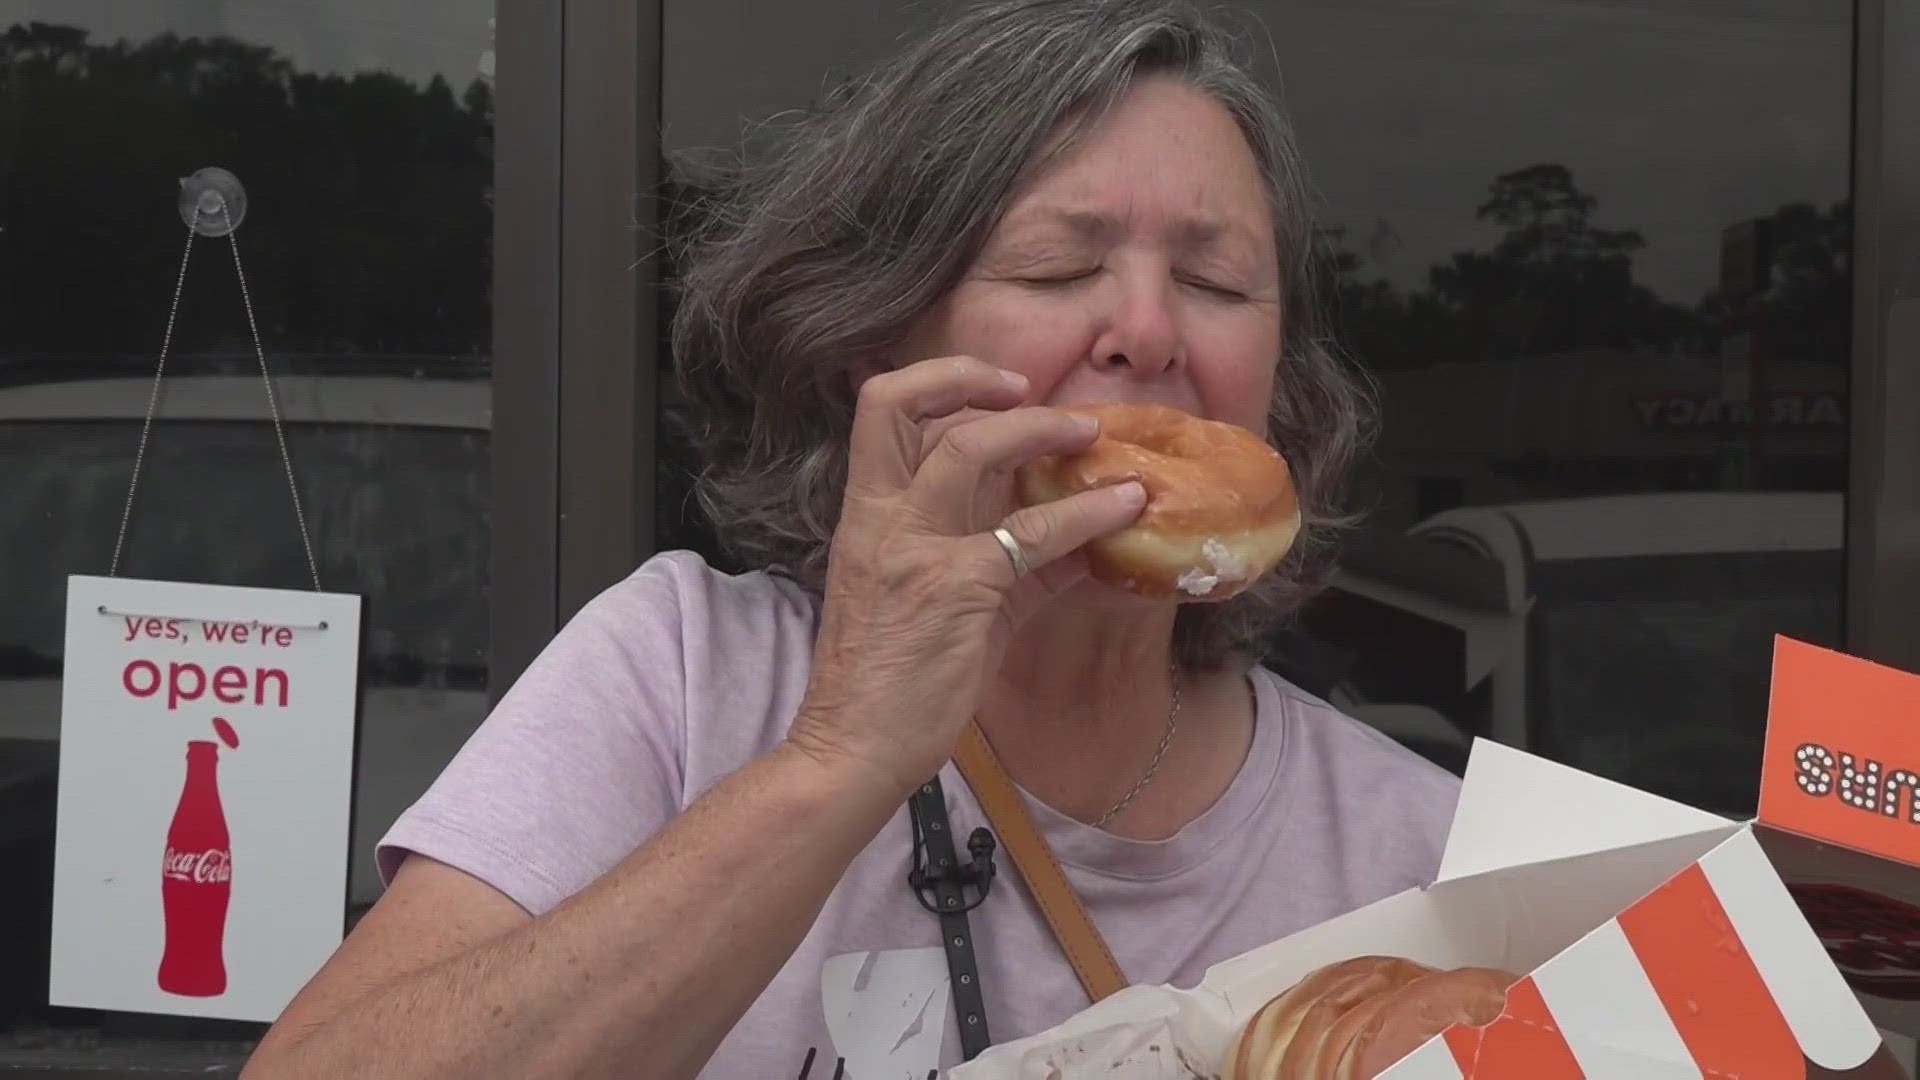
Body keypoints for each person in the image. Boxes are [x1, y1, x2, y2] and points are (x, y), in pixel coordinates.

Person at [242, 1, 1469, 1076]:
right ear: (882, 347)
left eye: (1215, 283)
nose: (1146, 331)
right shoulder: (680, 674)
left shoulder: (1424, 852)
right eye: (1054, 268)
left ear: (1275, 380)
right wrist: (836, 759)